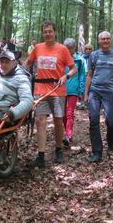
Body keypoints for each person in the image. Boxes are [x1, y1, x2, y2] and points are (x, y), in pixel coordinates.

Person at [24, 21, 76, 167]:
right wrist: (23, 74)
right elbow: (27, 62)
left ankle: (58, 149)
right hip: (40, 89)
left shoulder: (63, 49)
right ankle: (41, 156)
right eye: (45, 31)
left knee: (58, 121)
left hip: (57, 90)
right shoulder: (37, 48)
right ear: (42, 33)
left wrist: (67, 76)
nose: (48, 33)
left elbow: (73, 68)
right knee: (40, 120)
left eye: (50, 31)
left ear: (55, 32)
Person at [84, 31, 113, 163]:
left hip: (110, 92)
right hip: (95, 92)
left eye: (107, 39)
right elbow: (89, 75)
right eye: (103, 39)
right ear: (99, 41)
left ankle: (111, 142)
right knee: (94, 120)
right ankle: (97, 152)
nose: (105, 41)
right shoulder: (94, 55)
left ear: (110, 40)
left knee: (111, 122)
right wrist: (86, 94)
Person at [62, 38, 85, 148]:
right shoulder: (61, 58)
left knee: (70, 113)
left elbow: (82, 76)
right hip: (61, 90)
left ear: (74, 48)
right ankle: (66, 131)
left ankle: (68, 135)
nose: (68, 50)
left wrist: (81, 90)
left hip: (73, 90)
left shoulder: (80, 60)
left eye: (70, 48)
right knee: (62, 114)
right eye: (67, 48)